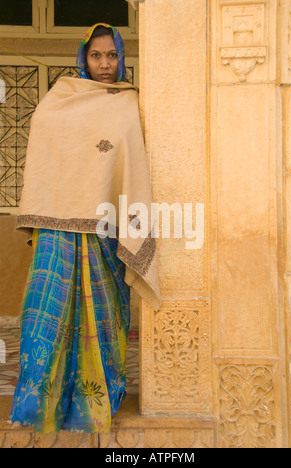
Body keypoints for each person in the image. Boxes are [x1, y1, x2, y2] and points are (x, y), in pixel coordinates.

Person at [8, 23, 161, 434]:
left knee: (106, 315)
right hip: (58, 228)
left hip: (106, 229)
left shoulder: (130, 102)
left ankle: (95, 401)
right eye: (97, 55)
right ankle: (41, 397)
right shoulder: (59, 98)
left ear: (122, 58)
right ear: (84, 57)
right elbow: (46, 145)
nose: (105, 64)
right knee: (47, 309)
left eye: (112, 55)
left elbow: (132, 161)